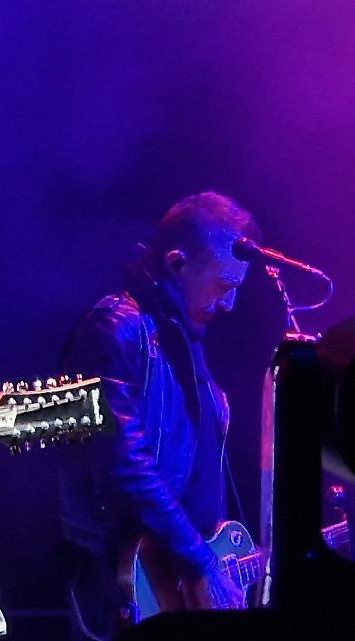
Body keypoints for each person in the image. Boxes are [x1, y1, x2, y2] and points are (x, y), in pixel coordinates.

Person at [57, 192, 262, 639]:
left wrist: (214, 559)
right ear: (177, 264)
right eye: (224, 285)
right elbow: (124, 467)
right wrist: (202, 562)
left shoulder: (183, 342)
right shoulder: (117, 328)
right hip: (129, 581)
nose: (229, 305)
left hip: (179, 577)